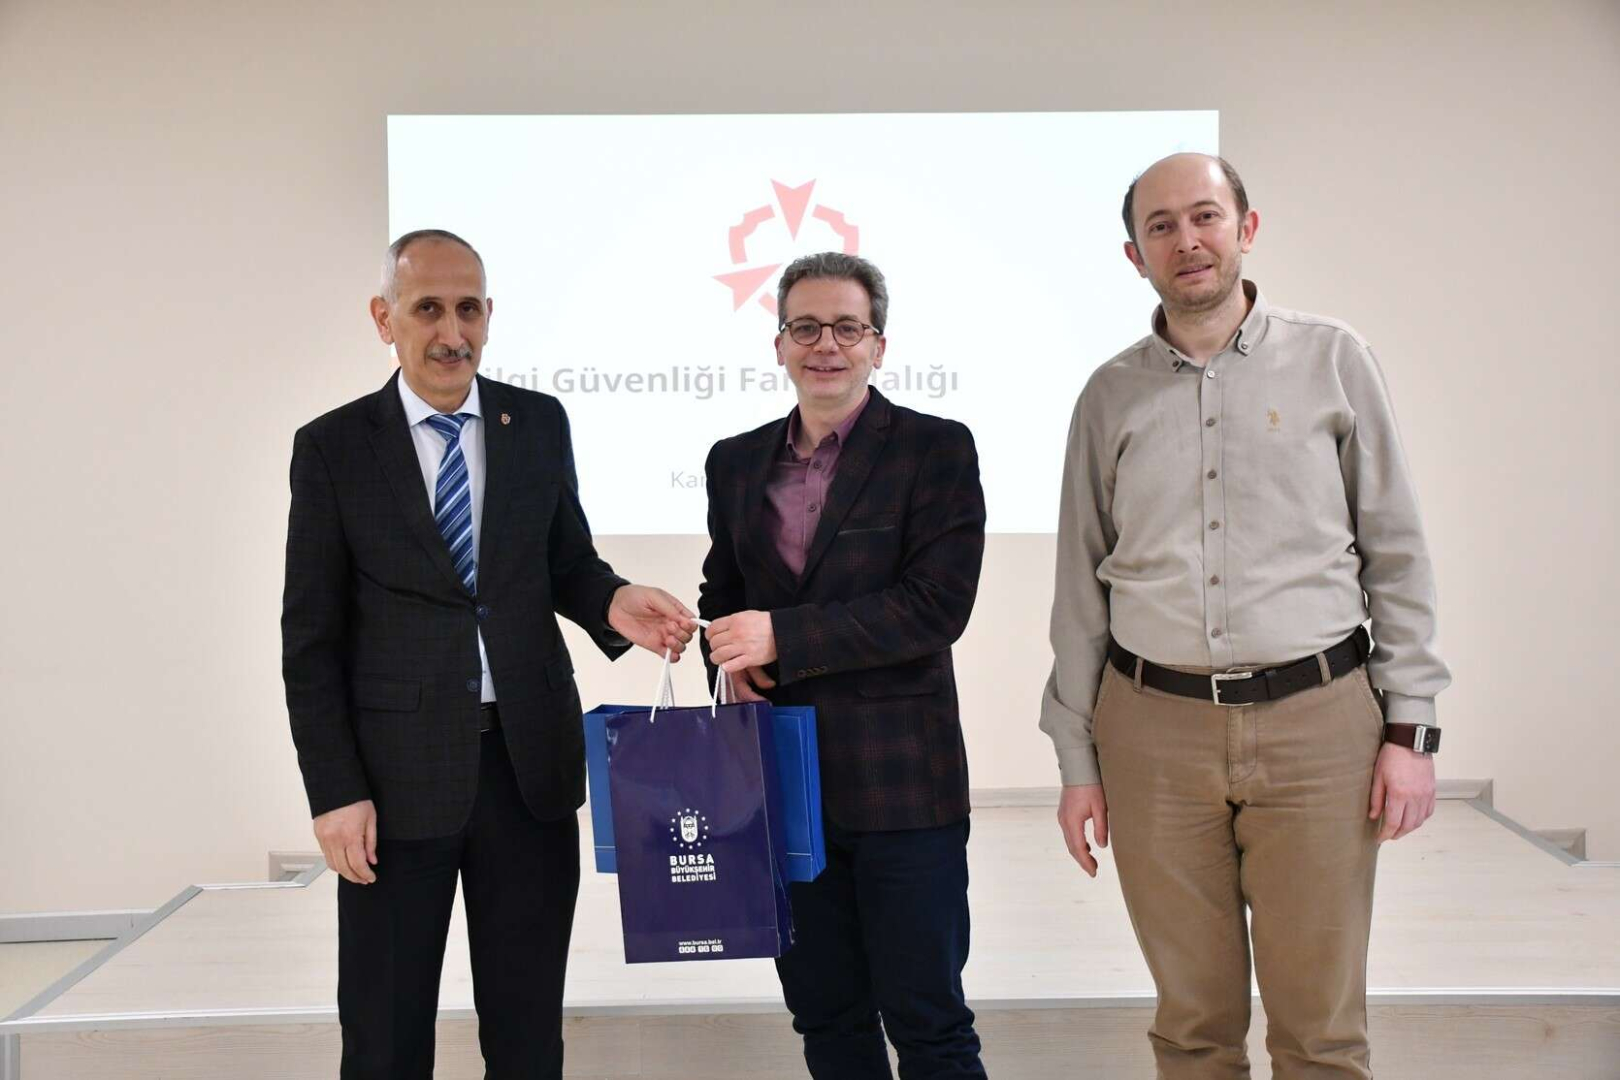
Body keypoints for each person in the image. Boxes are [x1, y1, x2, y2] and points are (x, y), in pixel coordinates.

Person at [1040, 154, 1451, 1078]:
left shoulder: (1334, 360)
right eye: (1160, 226)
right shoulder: (1108, 395)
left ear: (1246, 229)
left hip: (1320, 726)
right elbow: (1079, 590)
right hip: (1153, 733)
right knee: (1193, 1029)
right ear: (1134, 254)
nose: (1186, 240)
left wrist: (1411, 729)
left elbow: (1397, 552)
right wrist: (1077, 762)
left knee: (1322, 1031)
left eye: (1205, 217)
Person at [282, 229, 695, 1079]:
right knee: (385, 1040)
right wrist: (335, 791)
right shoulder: (333, 447)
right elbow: (311, 640)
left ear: (489, 315)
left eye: (468, 309)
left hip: (527, 769)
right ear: (384, 318)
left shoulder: (535, 423)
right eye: (427, 309)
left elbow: (565, 562)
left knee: (527, 1036)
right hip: (392, 787)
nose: (451, 332)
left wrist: (613, 601)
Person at [700, 252, 989, 1079]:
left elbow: (936, 606)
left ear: (878, 345)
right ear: (779, 344)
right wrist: (725, 651)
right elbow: (725, 592)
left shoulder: (936, 449)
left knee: (929, 1023)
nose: (825, 344)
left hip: (904, 786)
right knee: (826, 1020)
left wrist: (782, 638)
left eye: (847, 328)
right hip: (783, 787)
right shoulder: (734, 461)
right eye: (805, 327)